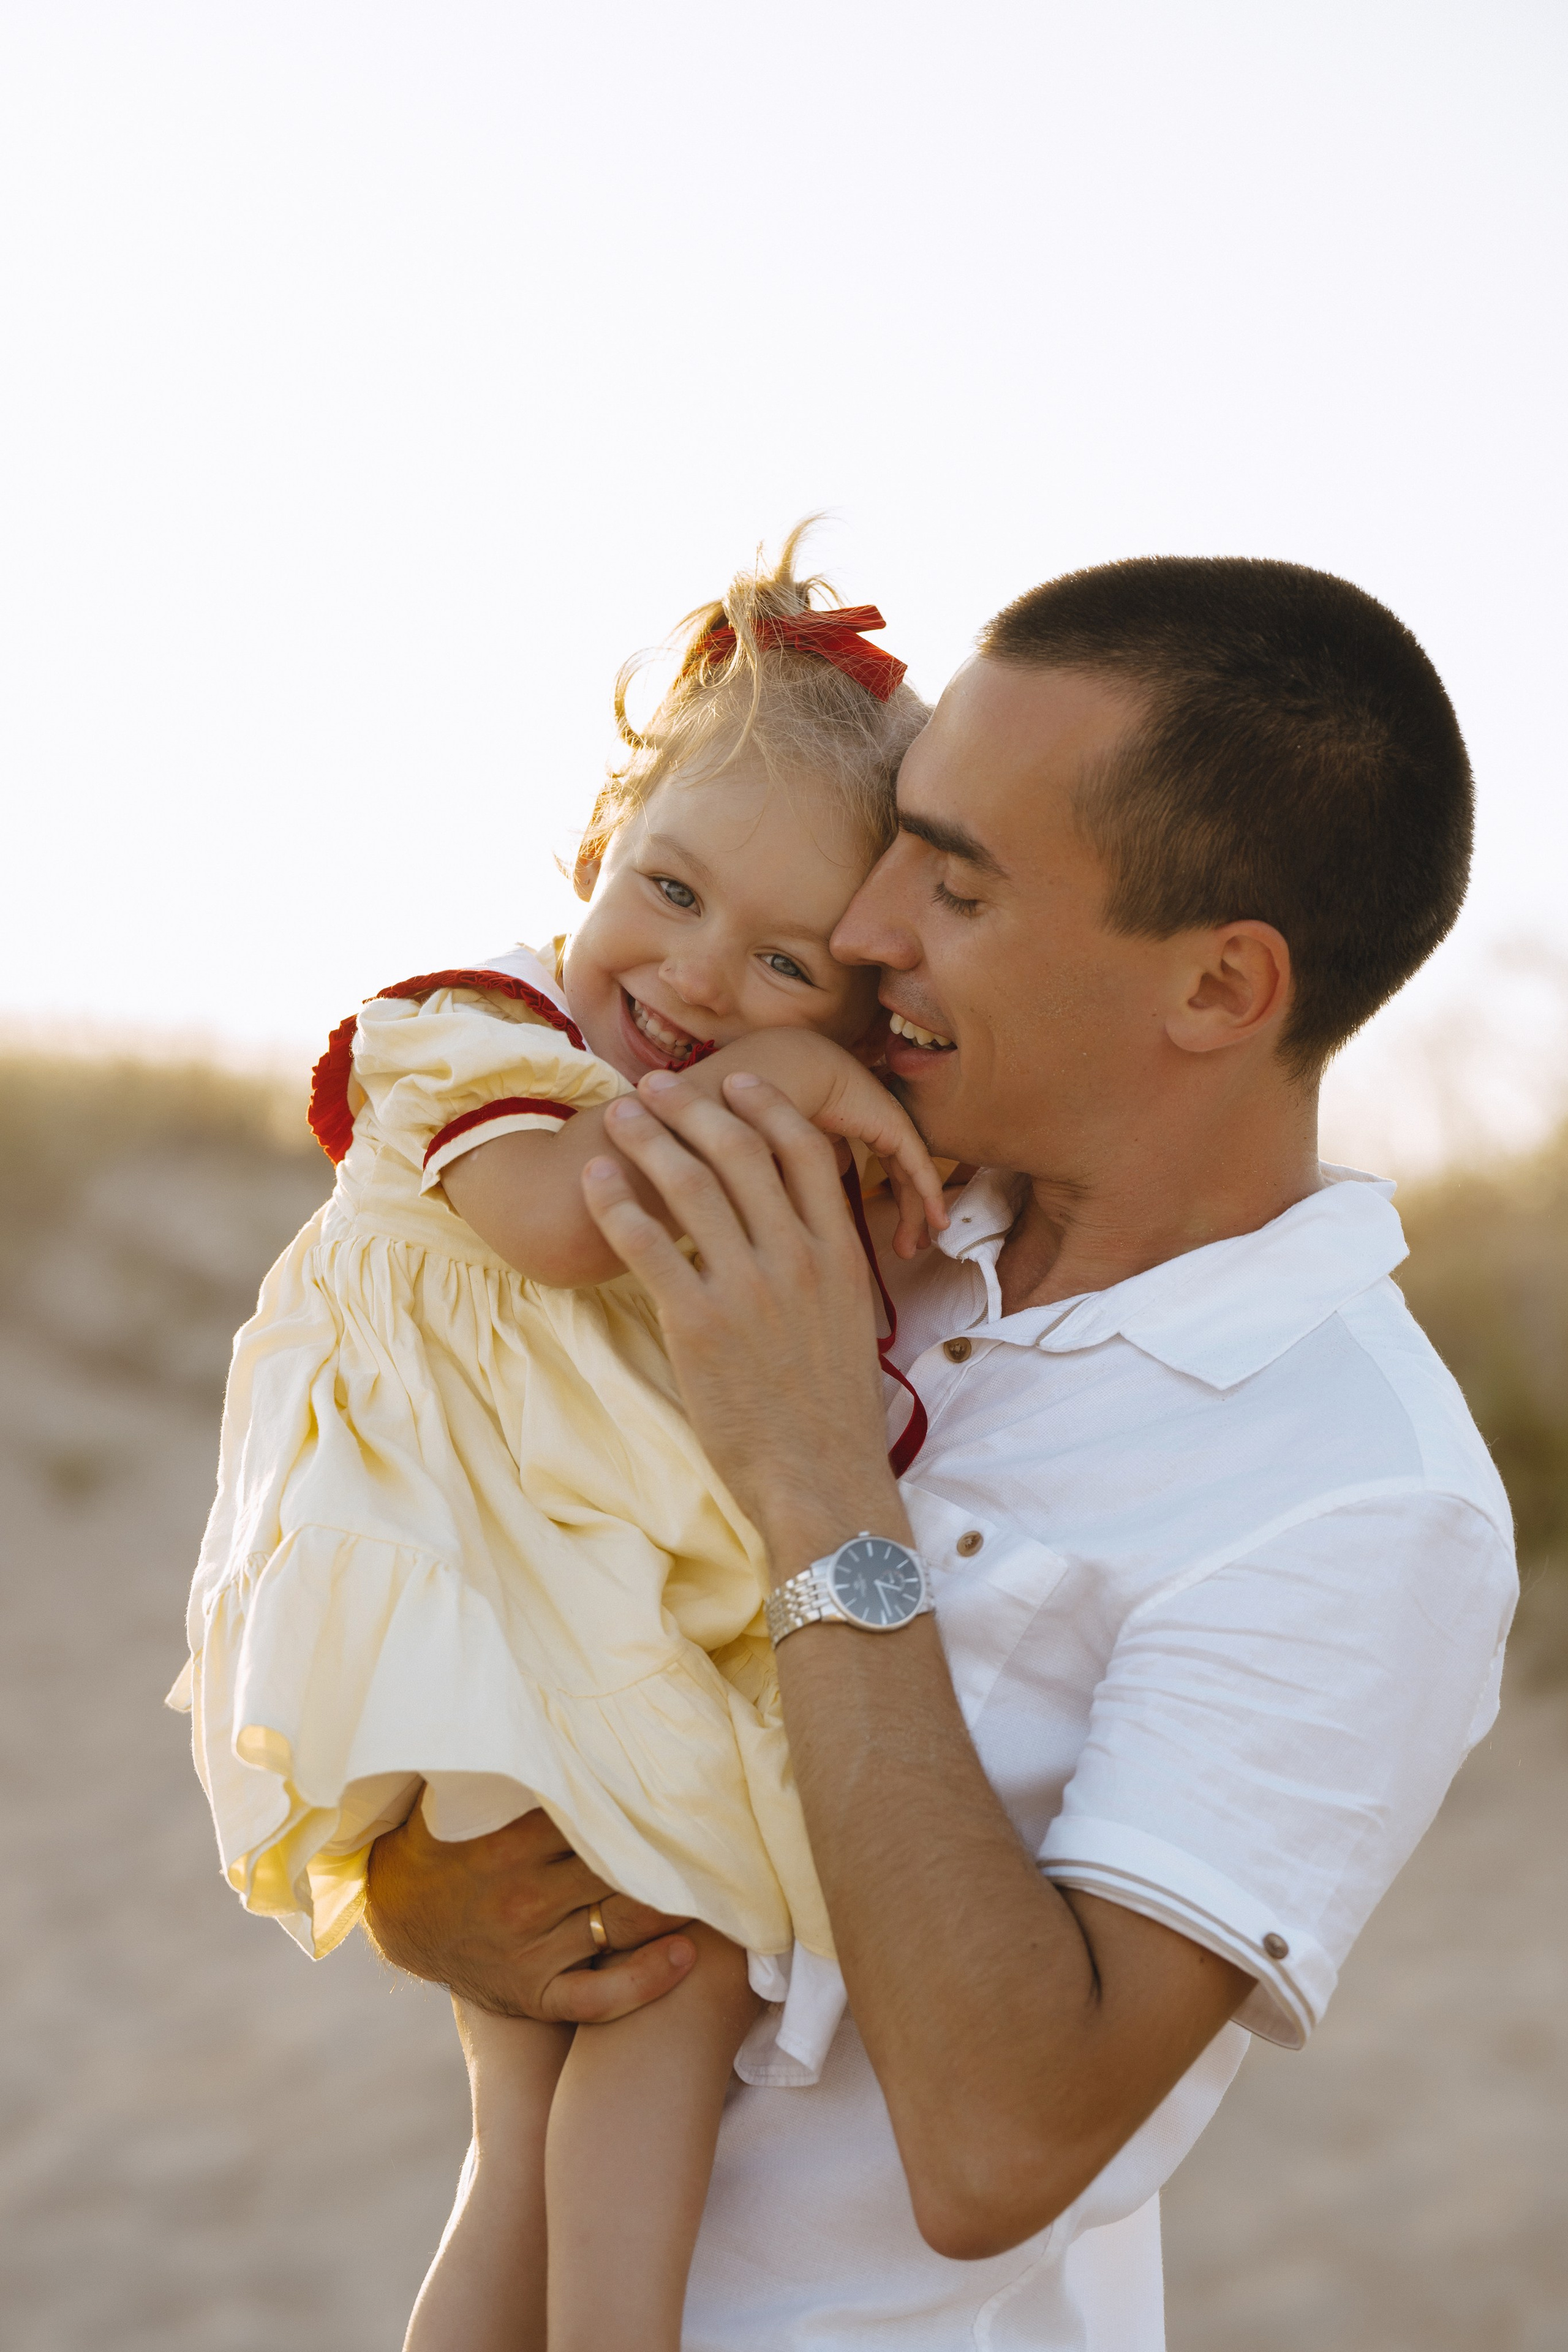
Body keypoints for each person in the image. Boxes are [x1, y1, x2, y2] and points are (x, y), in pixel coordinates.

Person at [364, 554, 1518, 2350]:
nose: (872, 922)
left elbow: (999, 2147)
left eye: (959, 884)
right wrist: (430, 1896)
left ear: (1219, 989)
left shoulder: (1365, 1493)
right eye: (902, 840)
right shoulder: (828, 1172)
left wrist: (824, 1481)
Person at [168, 530, 952, 2352]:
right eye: (668, 891)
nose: (690, 981)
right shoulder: (481, 1037)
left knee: (531, 2110)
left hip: (537, 1608)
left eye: (781, 966)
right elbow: (551, 1219)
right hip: (483, 1608)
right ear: (597, 848)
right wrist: (789, 1077)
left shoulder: (721, 1131)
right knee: (663, 2000)